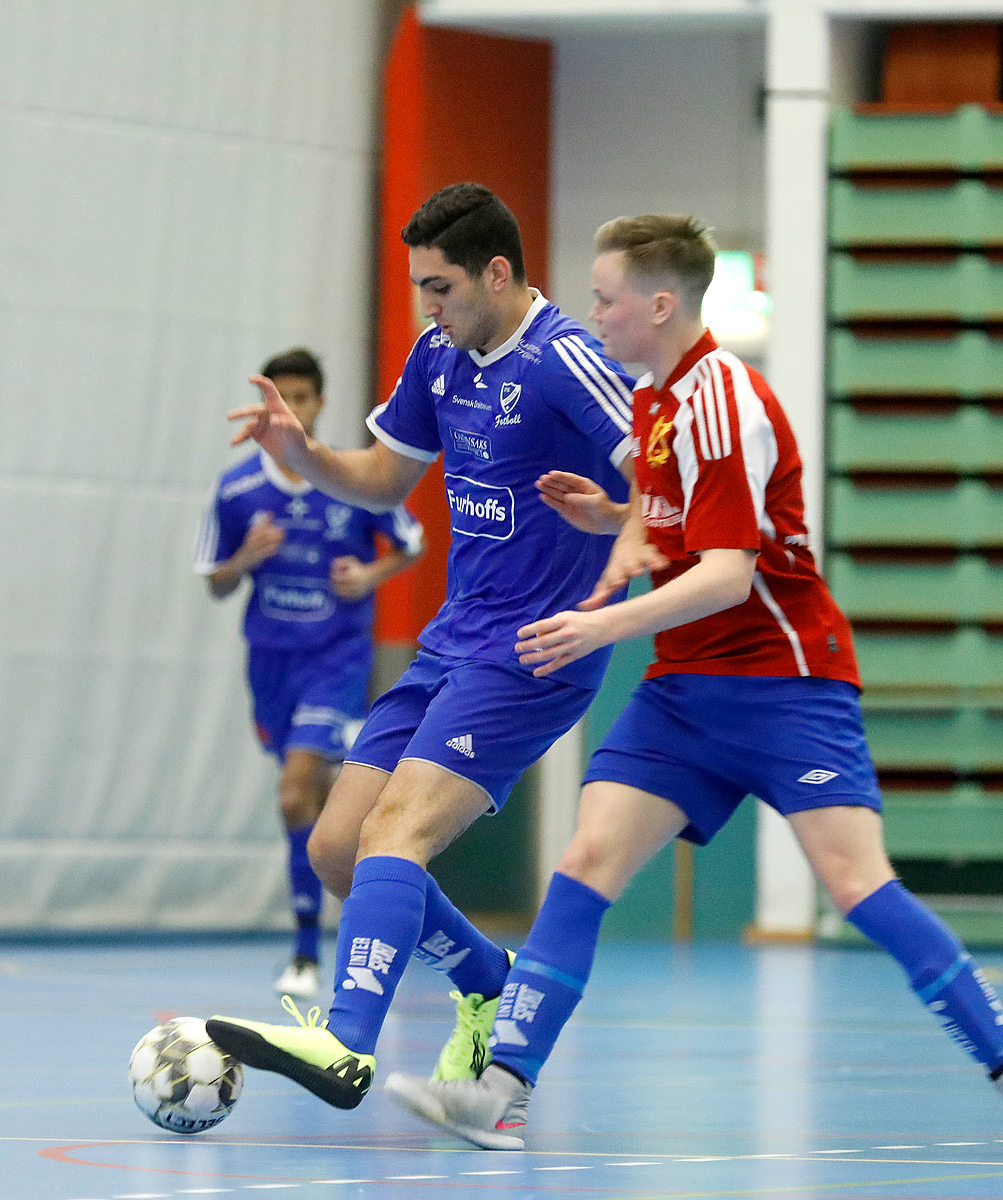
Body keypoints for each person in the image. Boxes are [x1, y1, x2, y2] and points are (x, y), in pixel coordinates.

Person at [381, 214, 1003, 1156]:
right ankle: (501, 1091)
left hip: (786, 685)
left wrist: (599, 624)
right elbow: (666, 517)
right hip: (686, 688)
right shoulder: (652, 401)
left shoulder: (723, 398)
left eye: (604, 299)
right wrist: (613, 517)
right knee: (585, 864)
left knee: (856, 886)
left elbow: (727, 573)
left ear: (660, 304)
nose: (591, 315)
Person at [207, 183, 637, 1110]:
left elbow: (673, 483)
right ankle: (487, 978)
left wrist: (619, 528)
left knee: (395, 830)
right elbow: (381, 480)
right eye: (417, 289)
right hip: (452, 639)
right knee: (336, 850)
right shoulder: (439, 355)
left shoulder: (570, 360)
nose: (426, 308)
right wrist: (306, 454)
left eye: (439, 287)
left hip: (535, 651)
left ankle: (345, 1043)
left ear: (496, 272)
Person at [195, 347, 424, 998]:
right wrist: (244, 558)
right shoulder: (238, 489)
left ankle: (308, 954)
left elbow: (411, 542)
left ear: (320, 404)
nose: (291, 408)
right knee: (313, 802)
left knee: (298, 794)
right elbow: (214, 583)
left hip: (337, 658)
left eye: (303, 397)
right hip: (271, 662)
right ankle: (365, 930)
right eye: (281, 397)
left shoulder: (349, 478)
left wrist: (370, 575)